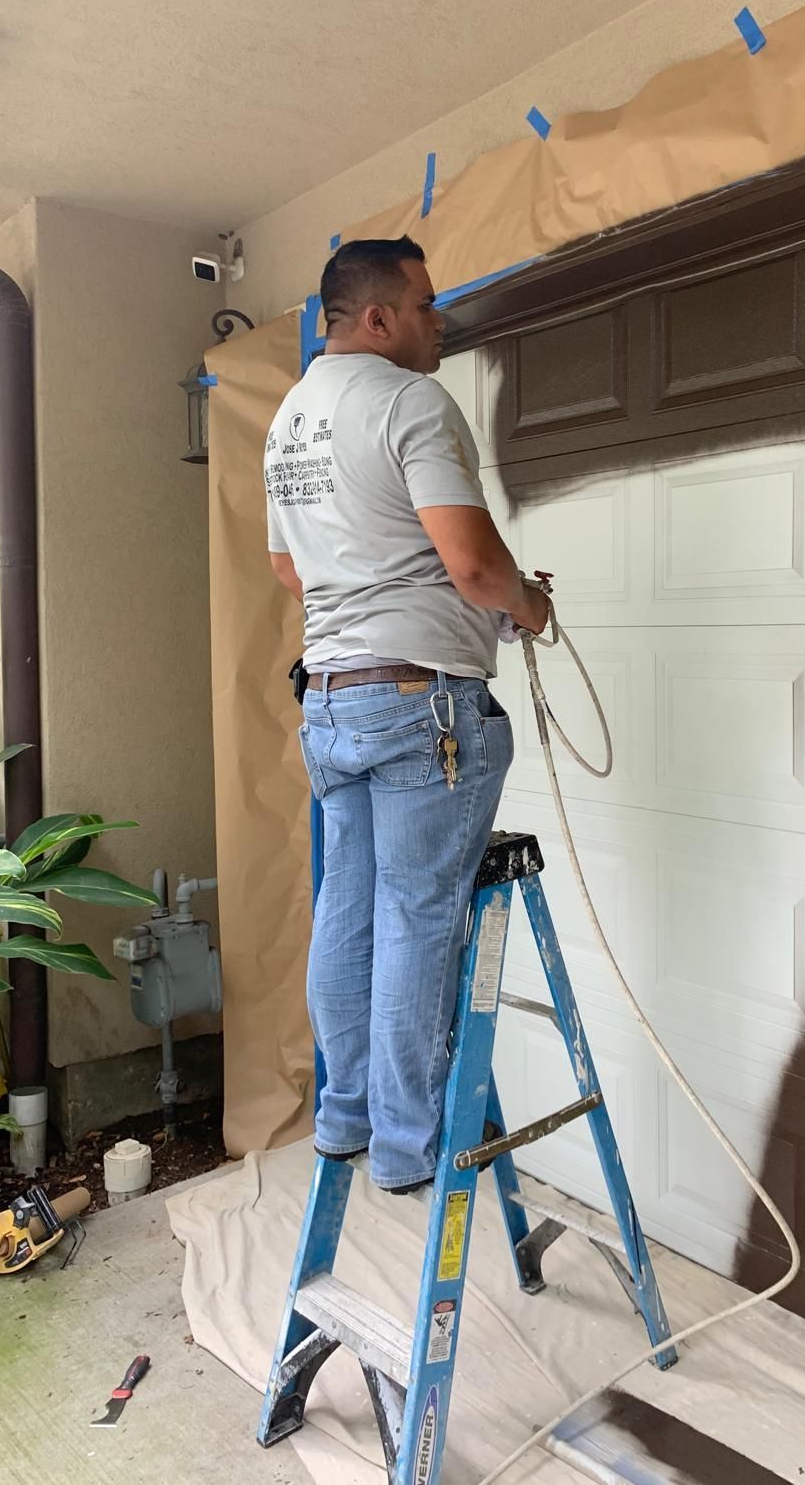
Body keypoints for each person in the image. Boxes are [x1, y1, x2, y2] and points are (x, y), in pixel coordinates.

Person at [263, 236, 549, 1193]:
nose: (440, 323)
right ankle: (407, 1150)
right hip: (418, 702)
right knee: (418, 917)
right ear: (377, 318)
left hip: (334, 703)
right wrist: (527, 605)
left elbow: (289, 572)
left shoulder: (290, 421)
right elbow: (470, 565)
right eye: (426, 306)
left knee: (347, 911)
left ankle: (343, 1122)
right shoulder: (409, 401)